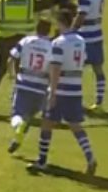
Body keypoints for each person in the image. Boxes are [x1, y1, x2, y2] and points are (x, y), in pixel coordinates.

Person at [29, 11, 97, 175]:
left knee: (47, 123)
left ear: (60, 22)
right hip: (76, 87)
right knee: (75, 125)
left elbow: (56, 68)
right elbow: (83, 61)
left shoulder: (59, 43)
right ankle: (90, 157)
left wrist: (52, 93)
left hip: (61, 88)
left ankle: (42, 160)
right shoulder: (80, 40)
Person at [0, 0, 60, 114]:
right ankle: (21, 106)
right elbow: (43, 4)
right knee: (22, 74)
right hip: (21, 42)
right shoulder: (28, 1)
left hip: (4, 40)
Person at [6, 20, 53, 154]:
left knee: (17, 115)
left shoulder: (26, 41)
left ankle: (18, 128)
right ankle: (17, 141)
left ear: (36, 29)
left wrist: (12, 75)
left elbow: (11, 58)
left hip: (24, 84)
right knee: (28, 116)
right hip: (41, 87)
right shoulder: (51, 46)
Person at [73, 0, 107, 111]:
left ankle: (76, 102)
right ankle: (99, 102)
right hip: (98, 33)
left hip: (85, 37)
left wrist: (71, 31)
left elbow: (81, 16)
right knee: (98, 68)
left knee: (76, 70)